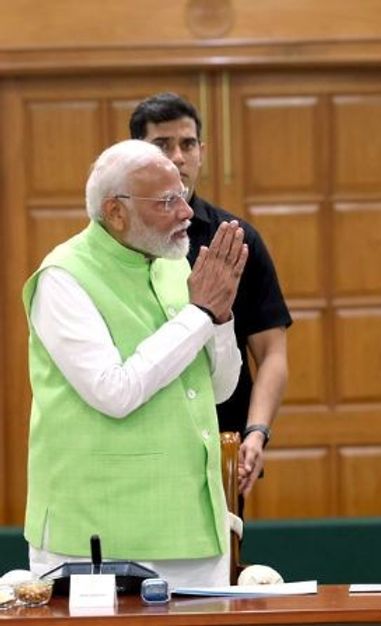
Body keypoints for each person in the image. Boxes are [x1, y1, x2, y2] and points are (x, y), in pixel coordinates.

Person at [23, 139, 248, 587]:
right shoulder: (63, 277)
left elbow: (219, 390)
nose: (187, 213)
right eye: (167, 202)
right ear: (116, 211)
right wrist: (199, 314)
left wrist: (220, 320)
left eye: (182, 195)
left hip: (194, 527)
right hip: (98, 533)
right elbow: (114, 391)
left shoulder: (175, 265)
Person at [130, 93, 291, 499]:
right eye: (162, 146)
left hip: (219, 443)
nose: (178, 157)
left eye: (187, 144)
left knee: (225, 563)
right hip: (137, 442)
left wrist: (256, 433)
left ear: (202, 151)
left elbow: (271, 351)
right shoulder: (122, 242)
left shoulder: (235, 239)